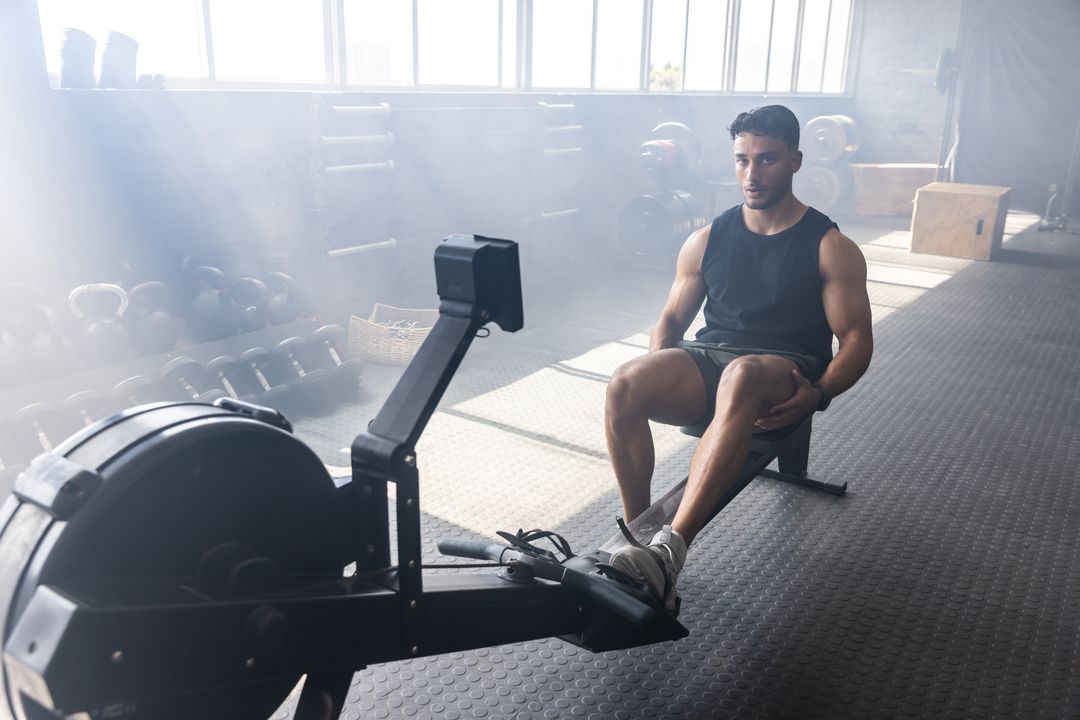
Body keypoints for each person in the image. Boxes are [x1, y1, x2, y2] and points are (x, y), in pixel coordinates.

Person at [605, 105, 873, 612]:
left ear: (795, 161)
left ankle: (668, 553)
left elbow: (857, 340)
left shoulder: (830, 246)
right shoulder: (707, 238)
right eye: (742, 160)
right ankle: (636, 537)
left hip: (783, 371)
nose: (752, 174)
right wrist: (657, 374)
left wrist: (818, 394)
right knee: (624, 382)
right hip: (712, 361)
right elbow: (669, 322)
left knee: (743, 374)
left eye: (767, 160)